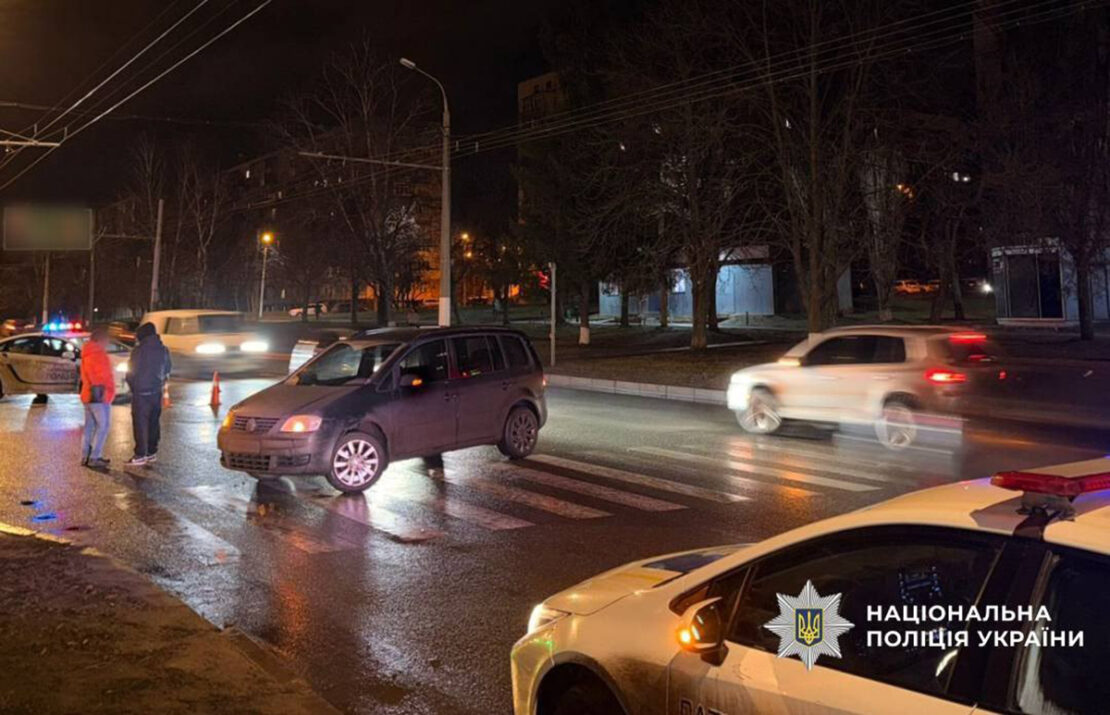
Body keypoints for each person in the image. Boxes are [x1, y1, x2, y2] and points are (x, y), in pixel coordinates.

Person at [125, 322, 171, 466]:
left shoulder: (139, 351)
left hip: (141, 392)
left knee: (140, 423)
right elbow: (168, 368)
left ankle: (140, 454)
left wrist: (133, 386)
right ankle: (152, 452)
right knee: (153, 423)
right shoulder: (163, 349)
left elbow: (131, 372)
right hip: (156, 391)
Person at [79, 326, 115, 468]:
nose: (107, 342)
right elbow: (101, 376)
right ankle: (95, 456)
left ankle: (85, 456)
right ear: (100, 340)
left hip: (88, 394)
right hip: (99, 395)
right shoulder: (98, 354)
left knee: (89, 426)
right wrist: (106, 389)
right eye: (106, 340)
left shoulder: (87, 352)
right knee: (103, 426)